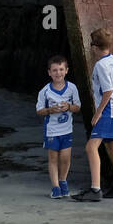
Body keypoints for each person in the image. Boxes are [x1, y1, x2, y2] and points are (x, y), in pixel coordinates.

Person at [70, 28, 113, 202]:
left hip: (108, 111)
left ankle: (95, 189)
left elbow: (108, 91)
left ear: (94, 47)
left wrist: (98, 113)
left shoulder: (101, 65)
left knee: (91, 147)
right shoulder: (112, 59)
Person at [35, 55, 80, 199]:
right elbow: (39, 110)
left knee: (66, 158)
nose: (58, 73)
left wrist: (68, 106)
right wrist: (50, 110)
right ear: (49, 72)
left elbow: (77, 107)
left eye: (61, 69)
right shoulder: (45, 91)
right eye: (54, 70)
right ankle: (55, 187)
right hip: (52, 131)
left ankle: (63, 181)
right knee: (53, 159)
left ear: (66, 70)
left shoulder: (72, 88)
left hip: (67, 130)